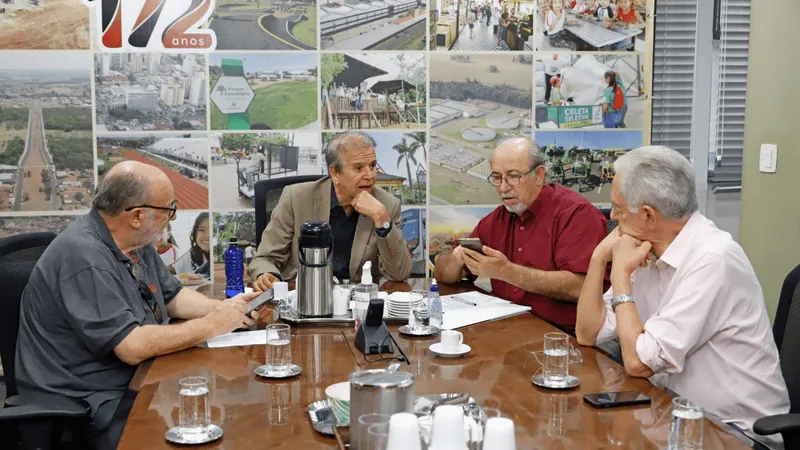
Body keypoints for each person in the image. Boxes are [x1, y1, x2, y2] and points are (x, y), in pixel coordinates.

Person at [14, 161, 260, 450]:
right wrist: (212, 325)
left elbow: (173, 298)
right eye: (168, 209)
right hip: (84, 399)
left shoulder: (134, 241)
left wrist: (226, 309)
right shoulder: (85, 256)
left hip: (133, 379)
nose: (171, 218)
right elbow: (132, 347)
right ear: (137, 216)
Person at [575, 146, 789, 447]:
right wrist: (599, 258)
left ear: (648, 215)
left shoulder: (714, 259)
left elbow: (638, 363)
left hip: (733, 433)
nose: (612, 216)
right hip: (671, 414)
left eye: (618, 208)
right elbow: (588, 333)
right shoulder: (645, 247)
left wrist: (621, 276)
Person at [433, 138, 609, 330]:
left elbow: (581, 287)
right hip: (508, 332)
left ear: (539, 175)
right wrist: (458, 258)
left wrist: (507, 272)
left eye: (513, 176)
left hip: (563, 338)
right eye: (497, 178)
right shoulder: (496, 220)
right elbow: (442, 274)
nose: (503, 187)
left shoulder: (577, 214)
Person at [249, 131, 412, 292]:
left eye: (372, 165)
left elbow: (399, 274)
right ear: (335, 173)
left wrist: (382, 221)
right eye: (359, 168)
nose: (369, 175)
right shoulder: (296, 198)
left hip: (358, 301)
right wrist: (266, 274)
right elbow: (266, 258)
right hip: (304, 298)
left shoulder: (386, 205)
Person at [172, 212, 210, 277]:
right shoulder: (192, 254)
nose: (208, 235)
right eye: (202, 230)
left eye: (212, 230)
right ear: (195, 232)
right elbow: (170, 271)